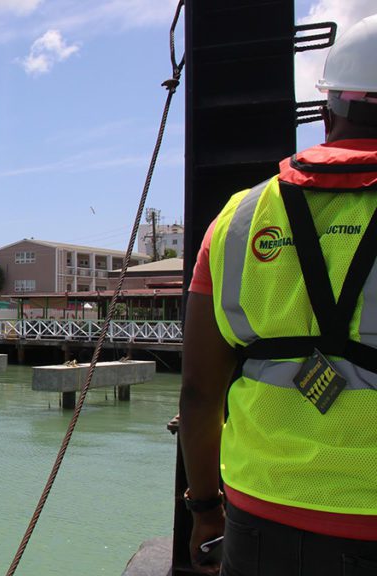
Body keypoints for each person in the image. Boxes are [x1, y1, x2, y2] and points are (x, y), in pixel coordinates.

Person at [180, 14, 377, 575]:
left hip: (261, 514)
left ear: (327, 109)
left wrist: (204, 508)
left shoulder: (237, 219)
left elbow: (198, 392)